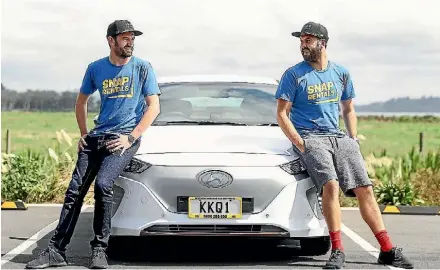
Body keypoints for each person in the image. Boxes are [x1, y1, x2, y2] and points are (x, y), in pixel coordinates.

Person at [275, 22, 414, 269]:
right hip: (310, 138)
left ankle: (387, 250)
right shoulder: (293, 75)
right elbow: (282, 114)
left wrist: (353, 137)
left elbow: (348, 108)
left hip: (339, 137)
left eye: (308, 40)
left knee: (365, 189)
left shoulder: (341, 73)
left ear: (323, 43)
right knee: (331, 185)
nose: (303, 45)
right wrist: (299, 142)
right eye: (301, 40)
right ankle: (337, 250)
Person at [25, 20, 161, 269]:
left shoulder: (143, 68)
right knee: (74, 191)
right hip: (96, 137)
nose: (130, 42)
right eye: (125, 38)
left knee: (103, 185)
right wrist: (84, 133)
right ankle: (56, 251)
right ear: (111, 40)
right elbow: (81, 101)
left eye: (132, 38)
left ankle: (99, 249)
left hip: (122, 139)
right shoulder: (95, 68)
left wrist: (131, 137)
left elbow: (154, 106)